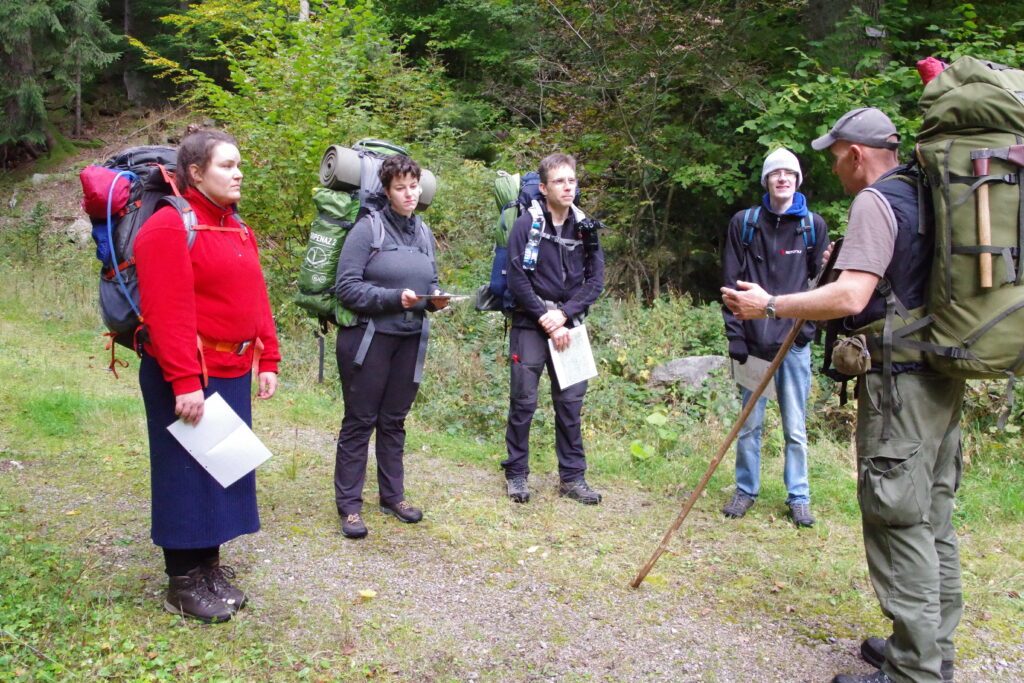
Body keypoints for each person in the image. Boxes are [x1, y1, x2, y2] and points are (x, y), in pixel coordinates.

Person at [722, 107, 962, 683]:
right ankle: (926, 646)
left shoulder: (876, 201)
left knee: (898, 518)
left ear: (856, 154)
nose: (833, 169)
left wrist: (770, 305)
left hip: (900, 386)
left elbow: (851, 298)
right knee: (933, 516)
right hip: (940, 376)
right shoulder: (930, 196)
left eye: (834, 158)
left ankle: (914, 671)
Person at [134, 125, 281, 623]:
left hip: (232, 368)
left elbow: (255, 296)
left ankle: (209, 568)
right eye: (226, 165)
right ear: (195, 172)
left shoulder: (236, 226)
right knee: (185, 477)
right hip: (188, 374)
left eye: (239, 165)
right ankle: (182, 580)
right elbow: (165, 311)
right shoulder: (169, 226)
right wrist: (184, 382)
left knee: (222, 471)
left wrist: (270, 356)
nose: (238, 174)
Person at [333, 154, 448, 539]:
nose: (409, 194)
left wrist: (435, 297)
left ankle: (392, 495)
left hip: (410, 339)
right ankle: (349, 507)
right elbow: (346, 287)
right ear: (386, 190)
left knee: (394, 421)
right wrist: (392, 298)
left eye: (414, 186)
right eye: (400, 188)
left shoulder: (424, 232)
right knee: (360, 421)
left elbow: (430, 279)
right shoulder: (368, 229)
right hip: (368, 340)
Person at [721, 148, 829, 527]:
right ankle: (745, 490)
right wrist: (736, 336)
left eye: (789, 173)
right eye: (775, 173)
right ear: (766, 180)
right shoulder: (745, 223)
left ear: (798, 180)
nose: (782, 178)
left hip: (794, 345)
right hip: (752, 344)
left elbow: (821, 287)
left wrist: (806, 334)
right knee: (749, 425)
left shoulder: (813, 226)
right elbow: (730, 284)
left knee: (795, 428)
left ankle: (798, 497)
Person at [502, 153, 605, 504]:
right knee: (524, 402)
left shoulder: (585, 226)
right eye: (560, 181)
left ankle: (572, 479)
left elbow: (596, 281)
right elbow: (517, 278)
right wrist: (546, 317)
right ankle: (516, 474)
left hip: (570, 325)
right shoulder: (527, 224)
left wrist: (564, 315)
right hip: (530, 324)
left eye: (572, 180)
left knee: (571, 404)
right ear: (544, 188)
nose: (568, 187)